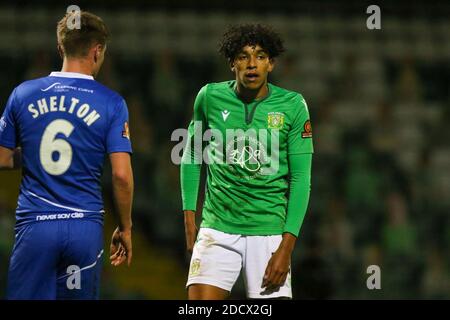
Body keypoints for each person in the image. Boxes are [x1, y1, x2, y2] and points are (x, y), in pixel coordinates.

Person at [0, 10, 133, 299]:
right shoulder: (112, 103)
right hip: (83, 227)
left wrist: (32, 156)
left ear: (61, 47)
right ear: (97, 51)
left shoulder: (23, 93)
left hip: (35, 226)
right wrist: (125, 227)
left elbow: (2, 158)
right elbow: (121, 176)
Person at [180, 24, 313, 299]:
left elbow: (301, 180)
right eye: (243, 56)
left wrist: (286, 248)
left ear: (271, 63)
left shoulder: (293, 105)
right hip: (217, 228)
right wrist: (189, 215)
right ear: (232, 63)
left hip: (269, 233)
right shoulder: (209, 97)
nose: (252, 64)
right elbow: (192, 155)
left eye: (261, 56)